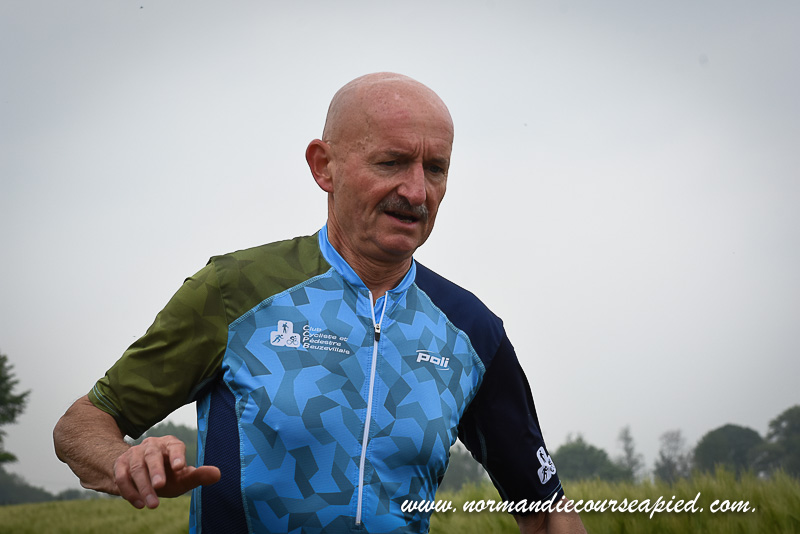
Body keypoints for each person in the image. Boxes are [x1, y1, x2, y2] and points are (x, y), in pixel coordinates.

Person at [54, 73, 586, 534]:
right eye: (392, 162)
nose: (417, 192)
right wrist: (126, 460)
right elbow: (83, 423)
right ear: (323, 166)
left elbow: (545, 513)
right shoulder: (235, 290)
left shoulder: (472, 331)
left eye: (436, 168)